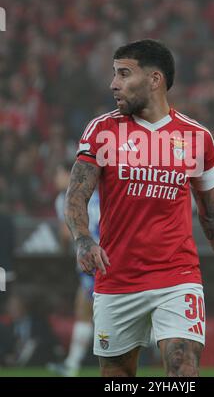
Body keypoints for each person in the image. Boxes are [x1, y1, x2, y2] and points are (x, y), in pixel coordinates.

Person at [64, 39, 214, 377]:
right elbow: (75, 194)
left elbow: (213, 211)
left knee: (182, 372)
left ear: (154, 79)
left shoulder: (196, 137)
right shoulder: (102, 131)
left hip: (176, 277)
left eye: (123, 74)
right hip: (116, 277)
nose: (113, 84)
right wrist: (83, 238)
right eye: (114, 74)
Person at [50, 162, 100, 377]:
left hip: (91, 260)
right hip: (111, 257)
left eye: (57, 174)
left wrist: (62, 247)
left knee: (85, 311)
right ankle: (72, 363)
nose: (55, 179)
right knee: (85, 308)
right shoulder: (97, 192)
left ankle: (72, 365)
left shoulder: (66, 197)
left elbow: (64, 234)